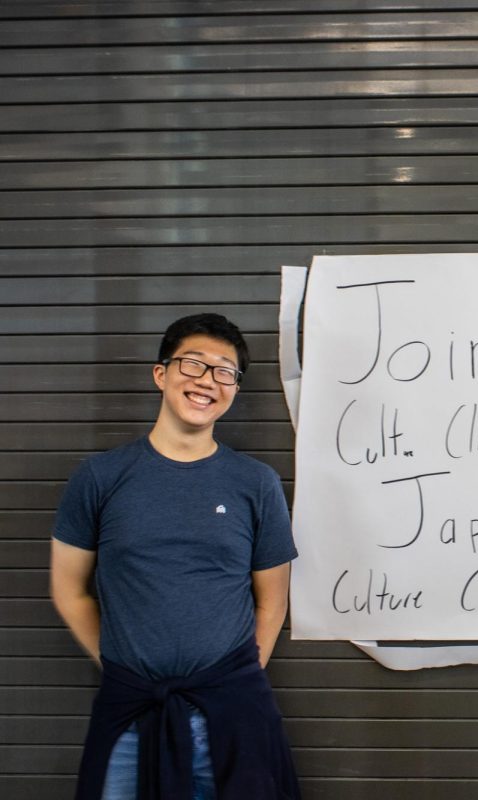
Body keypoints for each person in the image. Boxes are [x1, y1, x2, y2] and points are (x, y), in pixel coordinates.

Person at [50, 313, 301, 799]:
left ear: (234, 389)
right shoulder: (100, 477)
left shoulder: (256, 484)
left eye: (224, 371)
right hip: (130, 713)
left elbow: (272, 601)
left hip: (232, 714)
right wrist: (121, 663)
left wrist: (235, 680)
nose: (208, 381)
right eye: (194, 364)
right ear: (161, 373)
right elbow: (68, 589)